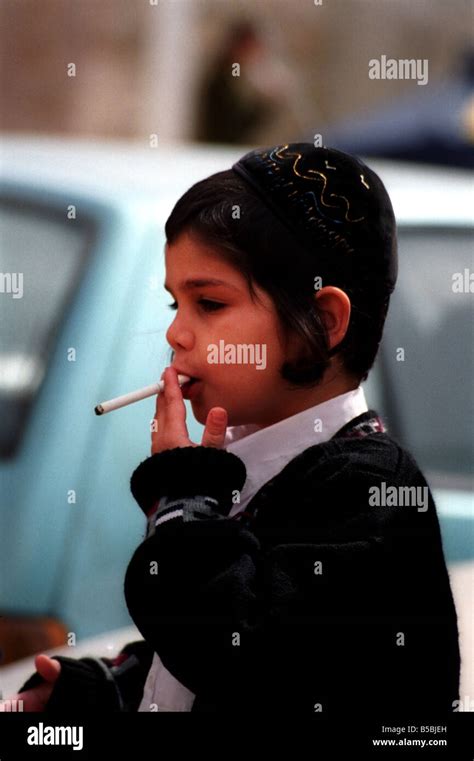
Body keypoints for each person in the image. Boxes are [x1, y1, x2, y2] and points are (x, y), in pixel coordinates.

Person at [7, 143, 460, 718]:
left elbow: (243, 651)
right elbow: (194, 669)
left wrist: (181, 498)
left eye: (210, 304)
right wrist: (102, 690)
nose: (175, 334)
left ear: (321, 323)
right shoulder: (255, 465)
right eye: (175, 304)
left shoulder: (368, 490)